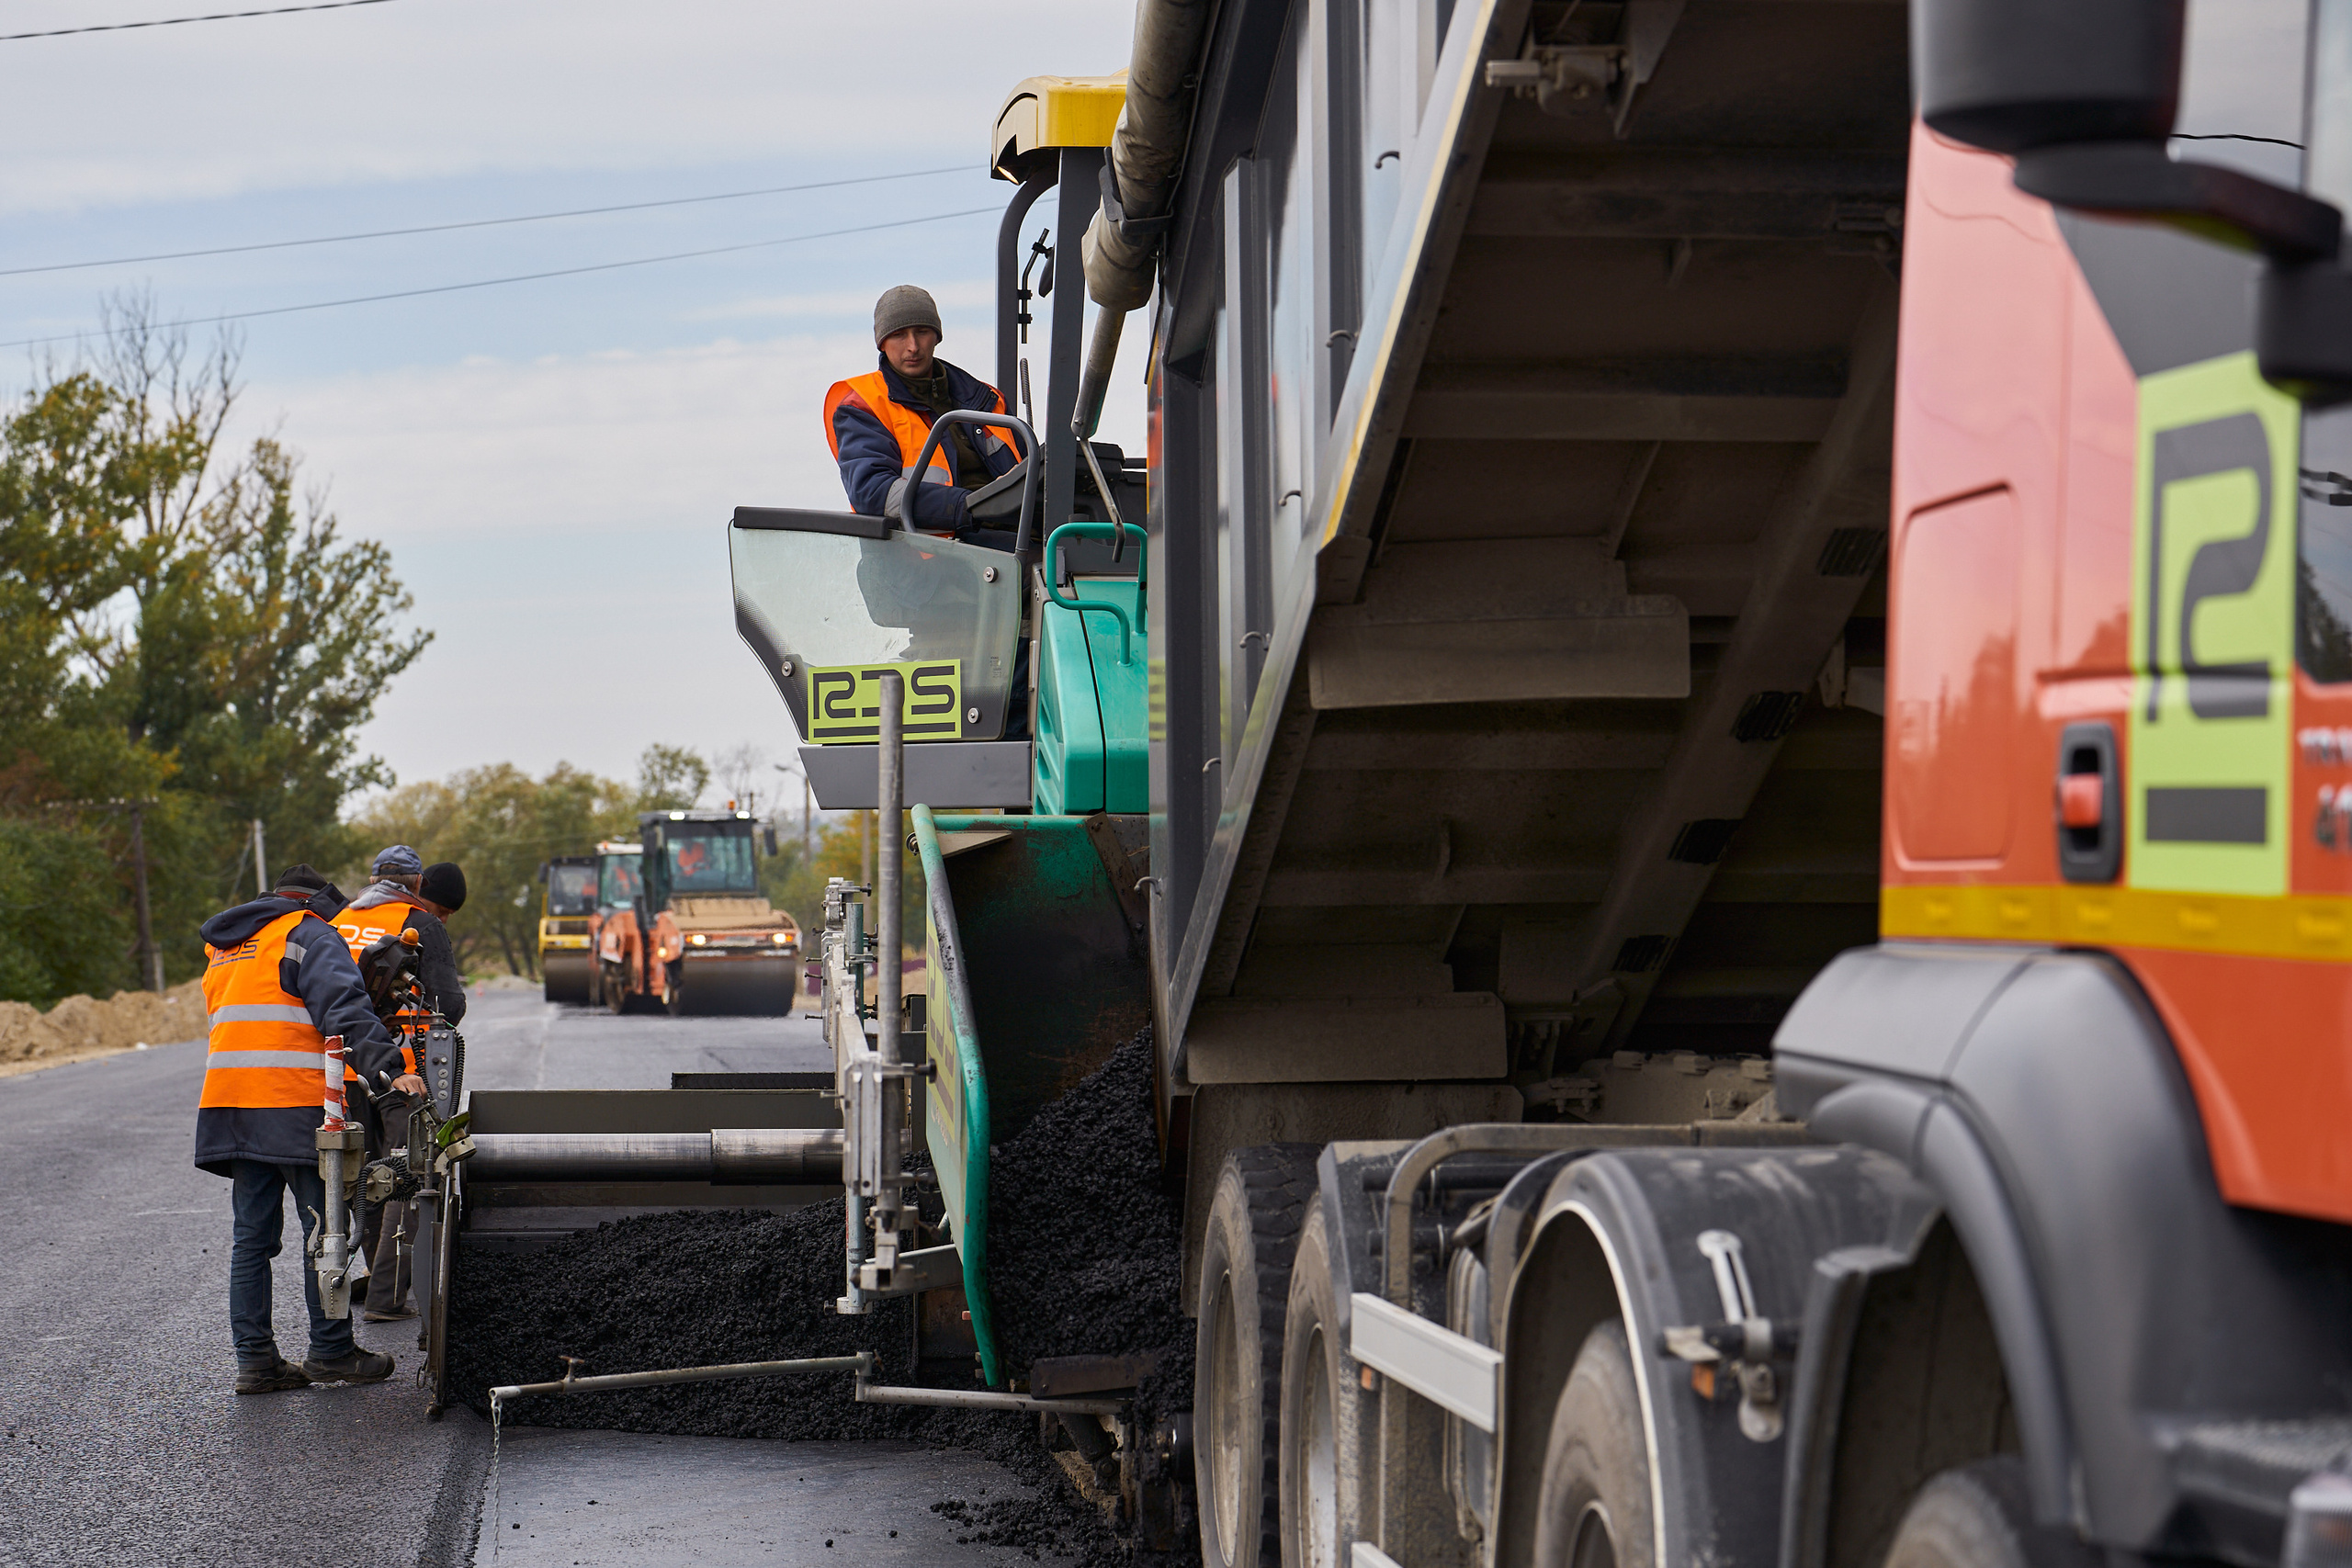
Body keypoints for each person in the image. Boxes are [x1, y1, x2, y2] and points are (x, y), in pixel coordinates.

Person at [197, 863, 424, 1393]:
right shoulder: (309, 934)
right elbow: (343, 1012)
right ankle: (331, 1351)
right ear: (316, 903)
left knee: (251, 1241)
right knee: (326, 1231)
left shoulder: (229, 946)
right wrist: (392, 1069)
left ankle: (256, 1362)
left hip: (231, 1104)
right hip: (295, 1104)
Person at [331, 847, 469, 1323]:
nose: (441, 916)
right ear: (417, 885)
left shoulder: (338, 920)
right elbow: (449, 1004)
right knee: (406, 1175)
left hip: (343, 1071)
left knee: (364, 1178)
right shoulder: (419, 923)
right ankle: (386, 1298)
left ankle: (375, 1275)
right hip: (403, 1074)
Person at [824, 285, 1020, 536]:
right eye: (899, 335)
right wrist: (971, 506)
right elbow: (871, 492)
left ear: (937, 337)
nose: (913, 346)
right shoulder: (863, 404)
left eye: (922, 332)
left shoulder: (989, 400)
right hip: (931, 554)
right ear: (882, 343)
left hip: (1019, 538)